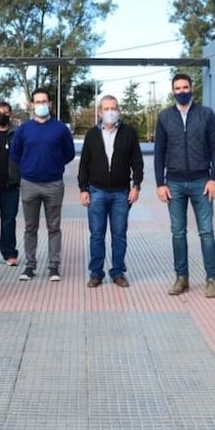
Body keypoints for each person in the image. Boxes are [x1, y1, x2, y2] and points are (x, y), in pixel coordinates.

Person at [153, 73, 215, 297]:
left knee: (206, 232)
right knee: (177, 232)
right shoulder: (165, 117)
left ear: (192, 88)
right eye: (178, 88)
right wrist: (160, 183)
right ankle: (181, 278)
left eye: (185, 87)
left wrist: (213, 178)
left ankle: (212, 279)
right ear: (172, 91)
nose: (182, 91)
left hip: (201, 181)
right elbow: (159, 152)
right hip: (174, 182)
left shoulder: (206, 114)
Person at [9, 88, 75, 282]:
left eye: (44, 101)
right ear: (32, 105)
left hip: (54, 184)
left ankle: (54, 267)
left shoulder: (60, 129)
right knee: (30, 228)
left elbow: (69, 153)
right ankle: (30, 266)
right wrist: (29, 167)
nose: (41, 105)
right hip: (29, 184)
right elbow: (15, 154)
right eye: (38, 102)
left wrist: (53, 164)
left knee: (54, 227)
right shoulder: (23, 130)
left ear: (50, 104)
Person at [78, 95, 143, 288]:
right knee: (96, 235)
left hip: (121, 193)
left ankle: (118, 272)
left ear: (118, 110)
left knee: (119, 235)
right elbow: (84, 163)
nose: (110, 112)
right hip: (96, 191)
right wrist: (83, 189)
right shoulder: (92, 134)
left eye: (113, 108)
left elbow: (137, 162)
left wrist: (136, 186)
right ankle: (96, 273)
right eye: (106, 109)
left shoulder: (129, 133)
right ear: (100, 112)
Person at [0, 101, 20, 266]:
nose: (2, 115)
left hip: (11, 186)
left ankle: (9, 253)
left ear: (10, 115)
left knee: (9, 221)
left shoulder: (17, 134)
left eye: (6, 113)